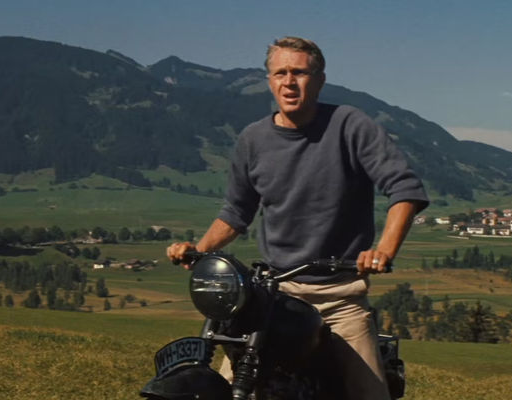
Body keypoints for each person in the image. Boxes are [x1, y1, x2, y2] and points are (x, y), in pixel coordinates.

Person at [167, 36, 428, 400]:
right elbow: (237, 211)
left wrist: (382, 251)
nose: (289, 82)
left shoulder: (349, 125)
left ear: (319, 80)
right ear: (269, 80)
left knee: (367, 392)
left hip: (338, 294)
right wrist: (200, 248)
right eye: (280, 73)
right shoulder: (253, 139)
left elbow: (405, 190)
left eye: (300, 73)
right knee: (229, 386)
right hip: (271, 293)